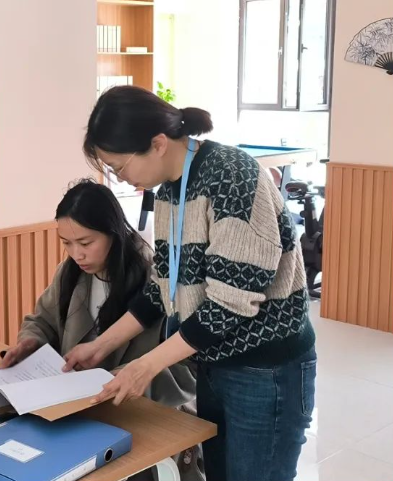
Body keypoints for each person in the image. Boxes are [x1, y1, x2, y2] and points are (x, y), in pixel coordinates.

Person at [64, 86, 316, 481]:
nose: (120, 178)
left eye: (118, 166)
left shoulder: (232, 176)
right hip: (214, 360)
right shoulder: (170, 189)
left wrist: (145, 366)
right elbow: (162, 287)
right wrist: (101, 346)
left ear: (157, 143)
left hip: (266, 370)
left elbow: (228, 305)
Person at [2, 179, 199, 480]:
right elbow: (41, 320)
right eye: (66, 243)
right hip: (76, 414)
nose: (76, 254)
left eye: (85, 243)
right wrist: (30, 342)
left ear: (114, 232)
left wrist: (129, 379)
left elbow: (186, 372)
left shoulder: (154, 279)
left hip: (140, 419)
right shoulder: (69, 273)